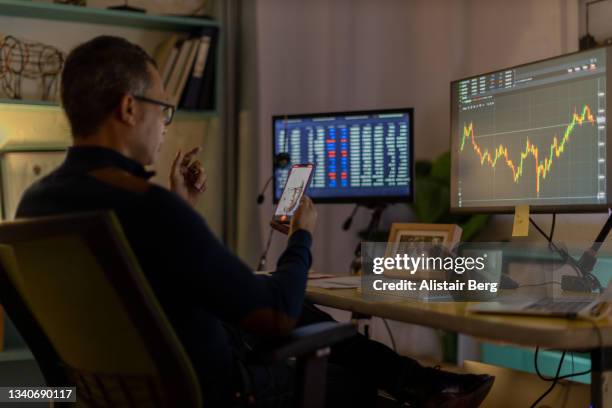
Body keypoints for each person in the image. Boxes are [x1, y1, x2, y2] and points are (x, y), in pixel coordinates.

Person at [17, 36, 493, 407]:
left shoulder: (36, 204)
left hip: (116, 389)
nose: (165, 125)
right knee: (338, 369)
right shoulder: (148, 209)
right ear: (128, 108)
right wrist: (303, 232)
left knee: (306, 315)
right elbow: (277, 313)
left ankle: (427, 383)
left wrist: (180, 206)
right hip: (216, 391)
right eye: (165, 110)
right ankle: (423, 387)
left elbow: (139, 284)